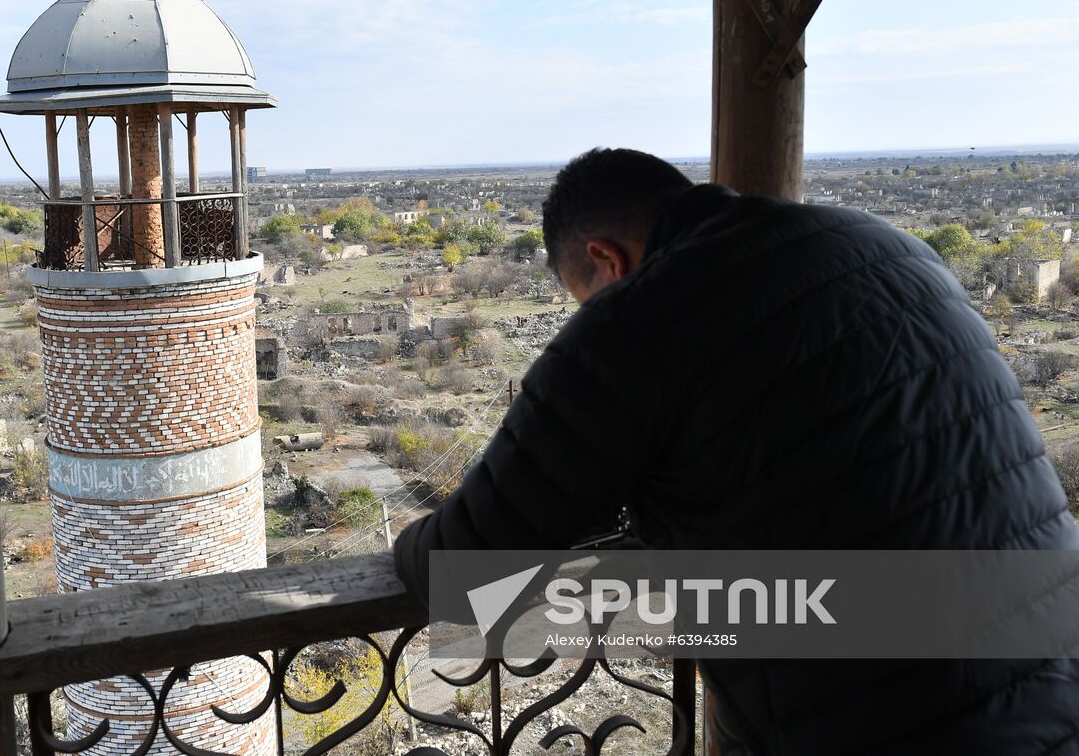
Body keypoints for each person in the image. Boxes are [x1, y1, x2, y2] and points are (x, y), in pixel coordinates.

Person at [393, 148, 1079, 755]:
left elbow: (467, 573)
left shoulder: (639, 318)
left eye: (585, 298)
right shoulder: (890, 247)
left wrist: (401, 544)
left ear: (606, 259)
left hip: (892, 724)